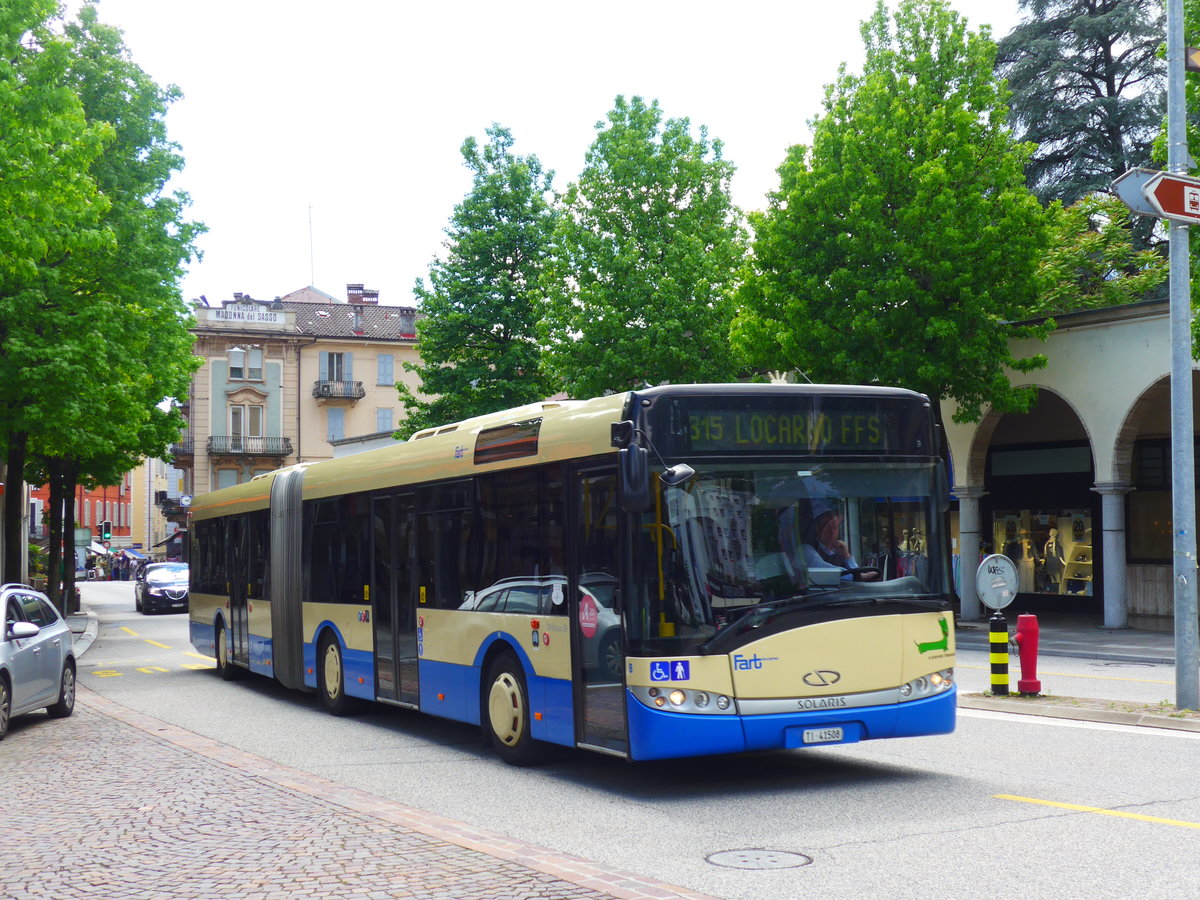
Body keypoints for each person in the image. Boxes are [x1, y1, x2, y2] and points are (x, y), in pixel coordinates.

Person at [800, 500, 881, 582]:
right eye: (827, 528)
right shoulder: (806, 550)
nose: (832, 532)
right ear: (818, 529)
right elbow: (825, 570)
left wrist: (847, 556)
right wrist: (858, 576)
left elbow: (857, 578)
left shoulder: (839, 550)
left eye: (835, 527)